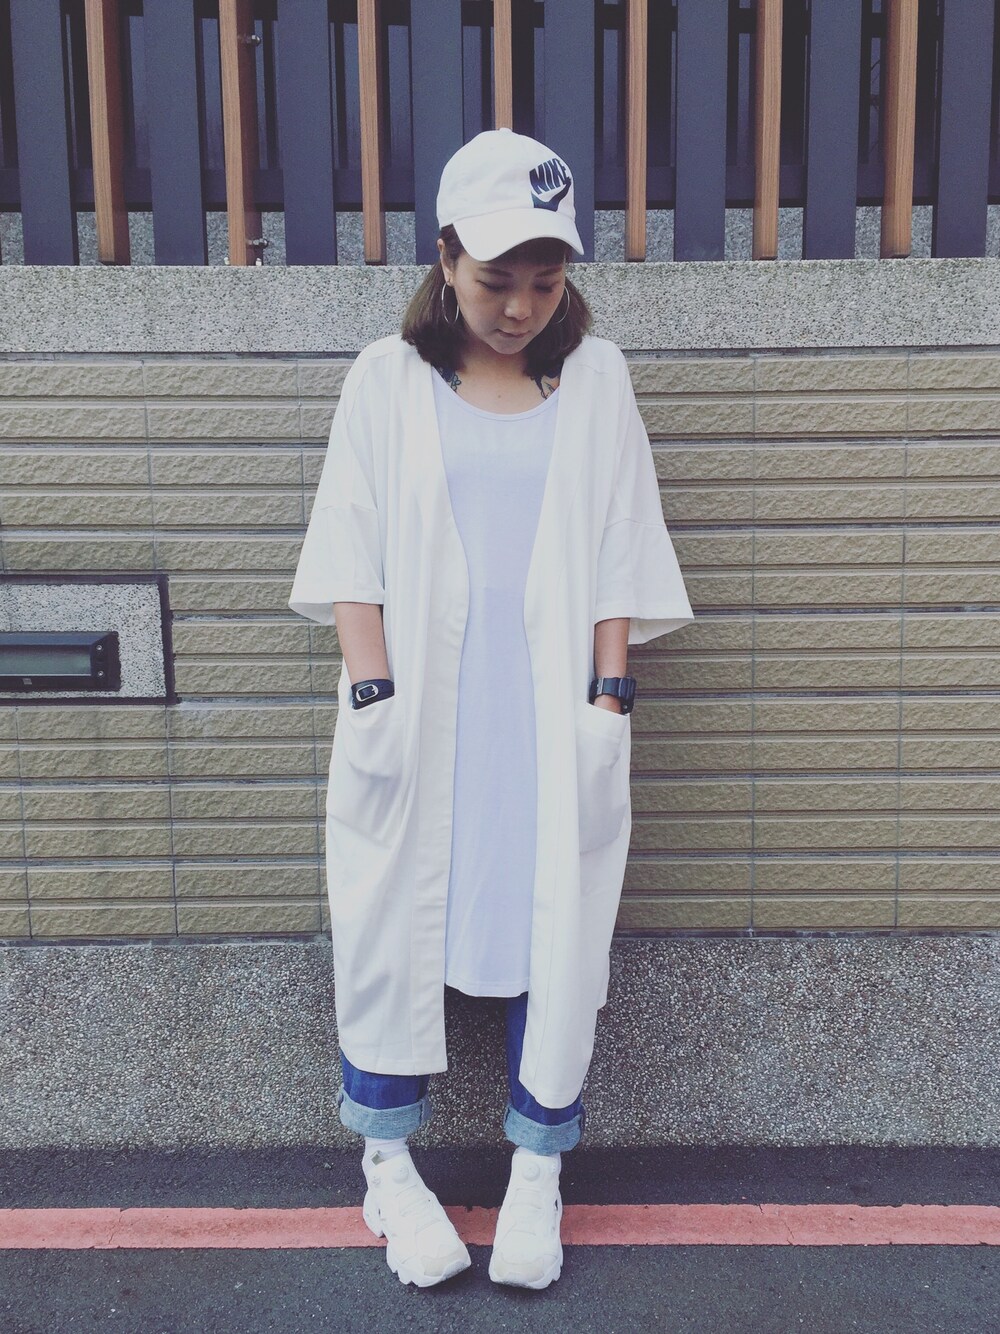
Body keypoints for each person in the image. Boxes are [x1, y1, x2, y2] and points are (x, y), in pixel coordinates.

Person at [288, 128, 694, 1291]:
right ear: (446, 257)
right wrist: (373, 692)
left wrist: (610, 694)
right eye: (495, 279)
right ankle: (386, 1160)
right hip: (417, 710)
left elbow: (620, 546)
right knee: (390, 918)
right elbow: (349, 548)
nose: (519, 307)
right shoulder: (387, 378)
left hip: (554, 715)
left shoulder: (596, 379)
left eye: (545, 281)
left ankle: (537, 1167)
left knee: (554, 926)